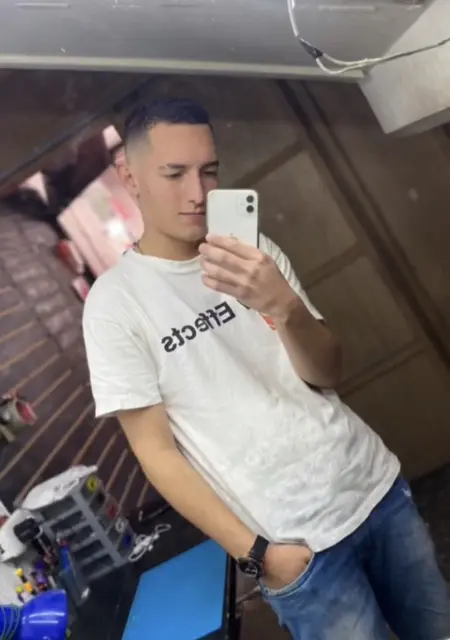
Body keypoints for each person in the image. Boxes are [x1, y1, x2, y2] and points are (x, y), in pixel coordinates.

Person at [82, 98, 450, 640]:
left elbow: (327, 372)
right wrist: (258, 555)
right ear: (129, 175)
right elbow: (156, 454)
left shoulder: (255, 254)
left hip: (373, 488)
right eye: (175, 173)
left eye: (209, 171)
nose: (198, 193)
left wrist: (284, 306)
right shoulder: (115, 305)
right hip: (297, 552)